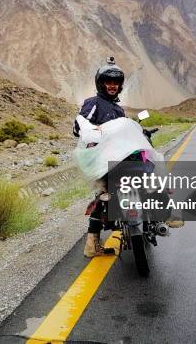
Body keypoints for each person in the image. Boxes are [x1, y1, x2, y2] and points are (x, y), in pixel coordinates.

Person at [73, 57, 125, 257]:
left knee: (147, 170)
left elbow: (125, 130)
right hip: (101, 160)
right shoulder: (93, 103)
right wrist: (92, 133)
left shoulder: (119, 110)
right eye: (108, 82)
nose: (112, 86)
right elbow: (79, 126)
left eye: (116, 82)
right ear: (101, 83)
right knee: (104, 196)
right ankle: (92, 244)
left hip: (121, 156)